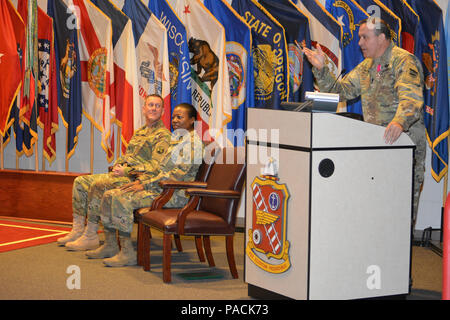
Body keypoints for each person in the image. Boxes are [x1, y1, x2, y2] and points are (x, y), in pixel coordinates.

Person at [302, 17, 426, 226]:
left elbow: (411, 99)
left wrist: (398, 122)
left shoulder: (404, 61)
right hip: (376, 149)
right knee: (375, 215)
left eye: (364, 38)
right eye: (360, 38)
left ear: (382, 38)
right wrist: (321, 69)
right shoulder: (366, 67)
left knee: (399, 217)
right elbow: (338, 92)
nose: (359, 43)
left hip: (403, 146)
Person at [85, 103, 204, 267]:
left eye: (180, 117)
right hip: (159, 188)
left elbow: (176, 176)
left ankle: (127, 253)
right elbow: (158, 169)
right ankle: (111, 245)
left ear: (192, 121)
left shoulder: (192, 144)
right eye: (174, 116)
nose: (174, 120)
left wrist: (145, 185)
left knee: (120, 198)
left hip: (175, 195)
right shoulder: (177, 140)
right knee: (109, 194)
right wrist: (141, 180)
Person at [57, 94, 171, 250]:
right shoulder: (141, 132)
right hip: (123, 174)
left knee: (99, 185)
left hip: (137, 181)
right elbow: (129, 155)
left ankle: (90, 235)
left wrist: (127, 171)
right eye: (150, 105)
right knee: (80, 181)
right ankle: (78, 230)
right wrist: (119, 165)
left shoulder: (163, 136)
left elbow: (155, 167)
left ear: (163, 111)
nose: (153, 108)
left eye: (157, 106)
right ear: (144, 109)